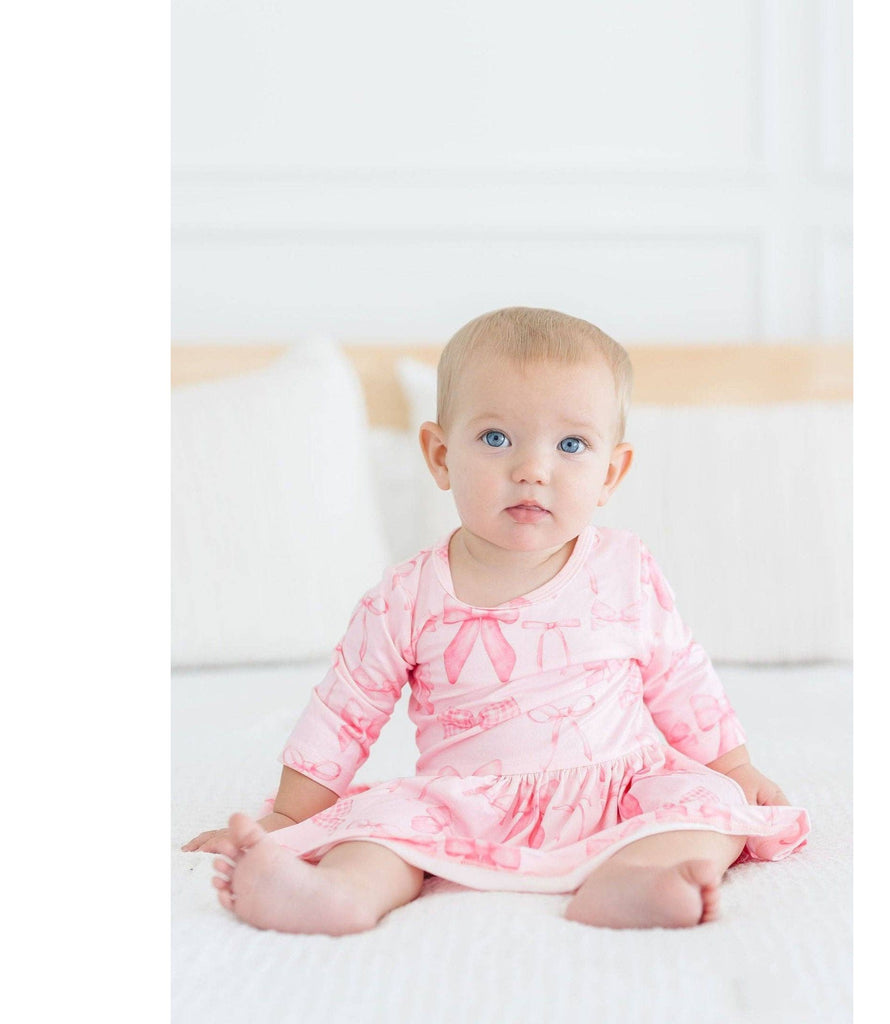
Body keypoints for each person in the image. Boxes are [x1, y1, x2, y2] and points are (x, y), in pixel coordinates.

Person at [182, 306, 809, 935]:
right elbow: (344, 711)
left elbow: (681, 678)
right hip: (462, 804)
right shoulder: (405, 597)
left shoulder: (626, 569)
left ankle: (632, 880)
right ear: (439, 455)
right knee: (382, 831)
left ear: (610, 473)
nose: (532, 469)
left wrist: (734, 770)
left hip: (619, 792)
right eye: (495, 438)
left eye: (571, 445)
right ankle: (336, 893)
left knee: (709, 810)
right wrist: (293, 820)